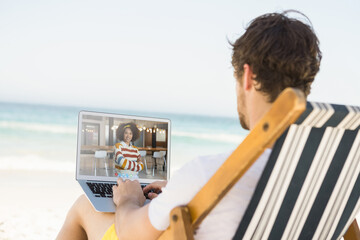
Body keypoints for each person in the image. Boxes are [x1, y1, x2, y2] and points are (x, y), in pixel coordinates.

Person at [56, 10, 321, 240]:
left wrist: (128, 199)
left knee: (84, 208)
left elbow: (130, 233)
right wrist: (178, 192)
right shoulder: (326, 172)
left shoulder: (205, 173)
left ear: (248, 76)